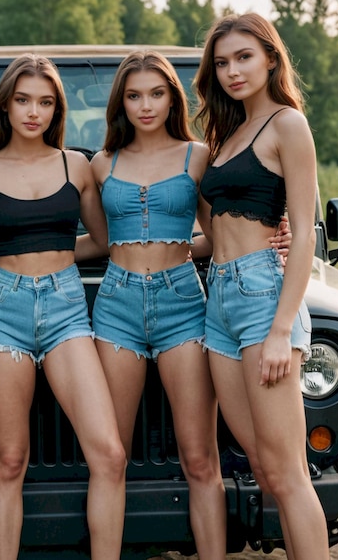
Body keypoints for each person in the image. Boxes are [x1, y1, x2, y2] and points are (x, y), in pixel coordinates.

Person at [0, 54, 127, 560]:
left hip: (67, 309)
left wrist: (44, 254)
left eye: (46, 102)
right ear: (6, 105)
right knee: (8, 461)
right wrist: (6, 258)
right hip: (4, 313)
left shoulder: (77, 164)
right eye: (24, 100)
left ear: (57, 109)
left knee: (110, 455)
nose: (34, 112)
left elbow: (104, 241)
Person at [195, 13, 329, 560]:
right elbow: (217, 230)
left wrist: (280, 332)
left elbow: (301, 237)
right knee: (265, 465)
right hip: (218, 298)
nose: (232, 71)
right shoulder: (225, 134)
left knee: (289, 471)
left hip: (262, 297)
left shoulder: (286, 124)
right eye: (222, 62)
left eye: (244, 57)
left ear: (271, 58)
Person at [89, 50, 227, 560]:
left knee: (199, 457)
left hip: (183, 303)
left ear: (173, 97)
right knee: (111, 457)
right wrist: (9, 260)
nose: (145, 105)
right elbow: (98, 243)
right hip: (117, 304)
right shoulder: (101, 164)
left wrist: (274, 239)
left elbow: (220, 237)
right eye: (133, 95)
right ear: (120, 103)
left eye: (156, 93)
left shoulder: (198, 155)